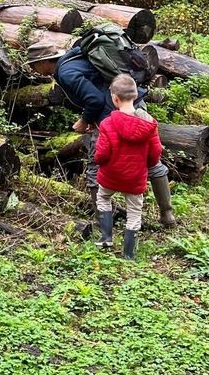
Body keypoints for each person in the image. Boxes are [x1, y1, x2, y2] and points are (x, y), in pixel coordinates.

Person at [55, 32, 177, 228]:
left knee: (95, 166)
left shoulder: (66, 72)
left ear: (43, 63)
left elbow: (94, 99)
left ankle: (102, 222)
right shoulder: (80, 52)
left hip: (109, 114)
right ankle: (167, 214)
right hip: (135, 103)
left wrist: (84, 121)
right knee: (150, 160)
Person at [94, 74, 163, 259]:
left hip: (111, 175)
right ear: (135, 96)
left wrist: (99, 161)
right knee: (134, 212)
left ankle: (106, 237)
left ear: (114, 98)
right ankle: (128, 254)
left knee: (103, 197)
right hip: (135, 177)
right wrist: (144, 166)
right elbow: (155, 153)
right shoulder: (149, 123)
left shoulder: (107, 123)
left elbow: (101, 153)